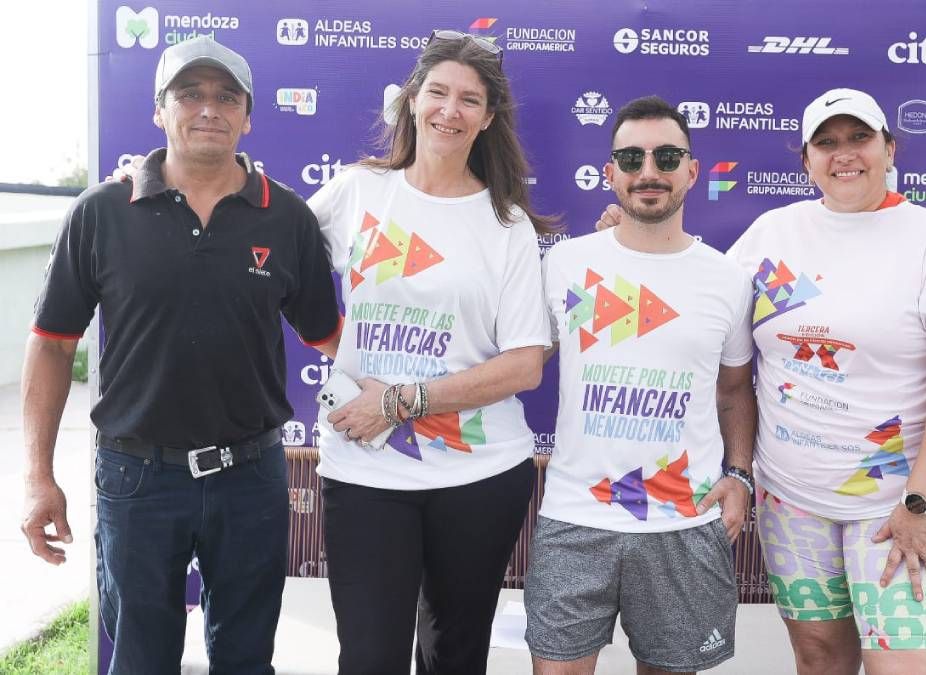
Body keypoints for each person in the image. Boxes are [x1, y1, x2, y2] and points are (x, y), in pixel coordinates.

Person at [597, 87, 926, 674]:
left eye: (859, 138)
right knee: (818, 659)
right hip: (792, 503)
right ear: (806, 160)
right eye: (826, 143)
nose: (845, 155)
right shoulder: (774, 234)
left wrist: (918, 502)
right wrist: (636, 244)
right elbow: (700, 304)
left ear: (889, 148)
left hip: (897, 508)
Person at [21, 36, 341, 674]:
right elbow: (52, 345)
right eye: (188, 95)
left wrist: (415, 389)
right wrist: (37, 476)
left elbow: (330, 338)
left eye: (226, 97)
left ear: (248, 116)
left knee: (247, 661)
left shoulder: (288, 220)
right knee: (141, 660)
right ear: (159, 111)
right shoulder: (101, 213)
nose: (207, 109)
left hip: (251, 476)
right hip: (136, 478)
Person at [304, 31, 553, 674]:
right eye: (437, 92)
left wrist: (399, 399)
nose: (450, 109)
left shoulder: (507, 224)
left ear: (488, 118)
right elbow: (277, 267)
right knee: (368, 658)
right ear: (412, 101)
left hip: (478, 473)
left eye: (469, 99)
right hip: (366, 467)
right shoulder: (359, 190)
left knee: (454, 657)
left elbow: (525, 363)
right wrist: (342, 353)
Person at [527, 96, 756, 675]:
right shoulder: (564, 265)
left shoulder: (729, 280)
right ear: (610, 174)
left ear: (692, 170)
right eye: (631, 158)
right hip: (576, 517)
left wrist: (739, 474)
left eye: (666, 156)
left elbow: (734, 391)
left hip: (683, 522)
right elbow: (518, 360)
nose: (648, 171)